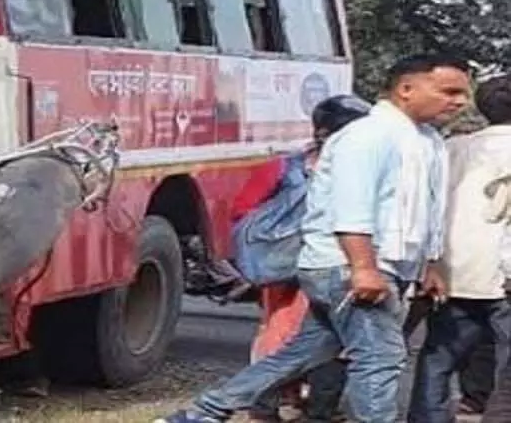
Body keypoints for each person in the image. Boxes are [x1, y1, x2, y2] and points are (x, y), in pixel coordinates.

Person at [155, 52, 472, 423]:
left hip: (374, 266)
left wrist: (431, 263)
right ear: (406, 88)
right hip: (349, 267)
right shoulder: (367, 137)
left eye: (463, 94)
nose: (460, 102)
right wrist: (363, 268)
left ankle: (202, 413)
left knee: (303, 354)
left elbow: (427, 209)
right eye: (449, 91)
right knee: (380, 358)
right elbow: (351, 207)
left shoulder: (429, 140)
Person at [236, 94, 371, 422]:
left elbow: (242, 210)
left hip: (281, 265)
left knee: (279, 331)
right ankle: (317, 409)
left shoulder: (285, 164)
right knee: (333, 335)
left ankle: (267, 404)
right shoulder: (364, 170)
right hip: (337, 262)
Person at [408, 73, 511, 423]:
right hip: (501, 273)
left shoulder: (451, 147)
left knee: (439, 356)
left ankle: (426, 416)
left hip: (451, 269)